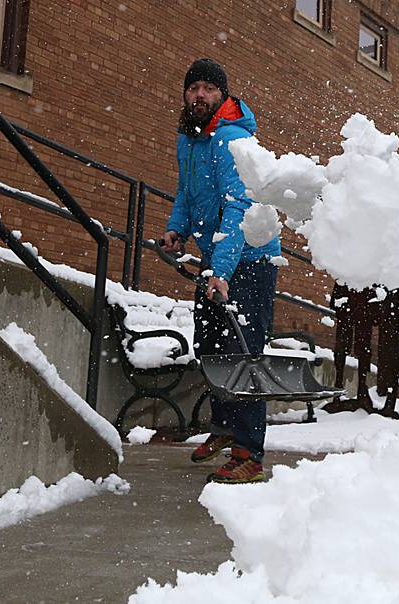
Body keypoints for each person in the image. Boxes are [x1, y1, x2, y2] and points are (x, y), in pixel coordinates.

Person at [162, 58, 280, 484]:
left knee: (244, 352)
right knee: (212, 346)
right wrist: (177, 228)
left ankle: (250, 452)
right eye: (193, 87)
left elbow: (239, 208)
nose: (200, 95)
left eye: (209, 88)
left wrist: (224, 270)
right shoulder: (189, 140)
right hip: (218, 260)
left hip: (248, 260)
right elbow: (186, 192)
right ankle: (225, 428)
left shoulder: (231, 139)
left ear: (223, 96)